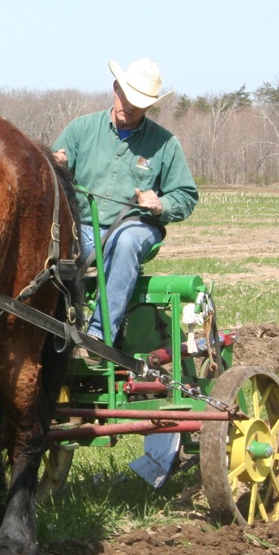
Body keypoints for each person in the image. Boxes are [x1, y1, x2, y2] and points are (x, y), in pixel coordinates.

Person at [52, 58, 198, 344]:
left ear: (150, 106)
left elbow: (186, 195)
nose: (129, 107)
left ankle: (98, 335)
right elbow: (52, 175)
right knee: (48, 244)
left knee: (126, 241)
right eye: (126, 97)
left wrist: (160, 205)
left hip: (134, 226)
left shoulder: (165, 143)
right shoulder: (81, 130)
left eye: (139, 103)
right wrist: (55, 166)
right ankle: (50, 330)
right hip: (79, 225)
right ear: (115, 88)